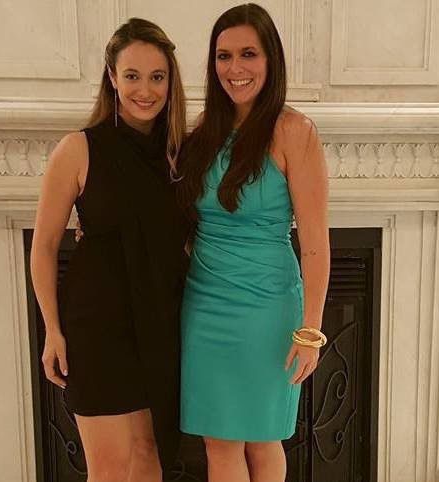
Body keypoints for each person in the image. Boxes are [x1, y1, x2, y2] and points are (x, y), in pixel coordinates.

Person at [30, 18, 188, 482]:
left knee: (150, 455)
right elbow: (43, 247)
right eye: (132, 76)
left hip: (162, 324)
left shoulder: (184, 154)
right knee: (110, 467)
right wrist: (52, 330)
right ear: (112, 78)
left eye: (157, 77)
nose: (146, 90)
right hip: (97, 327)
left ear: (170, 82)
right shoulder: (77, 149)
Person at [177, 4, 330, 482]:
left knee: (264, 439)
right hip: (204, 304)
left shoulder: (294, 132)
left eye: (248, 54)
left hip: (269, 309)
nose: (235, 68)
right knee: (218, 443)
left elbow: (315, 243)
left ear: (271, 60)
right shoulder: (202, 131)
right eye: (224, 56)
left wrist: (310, 330)